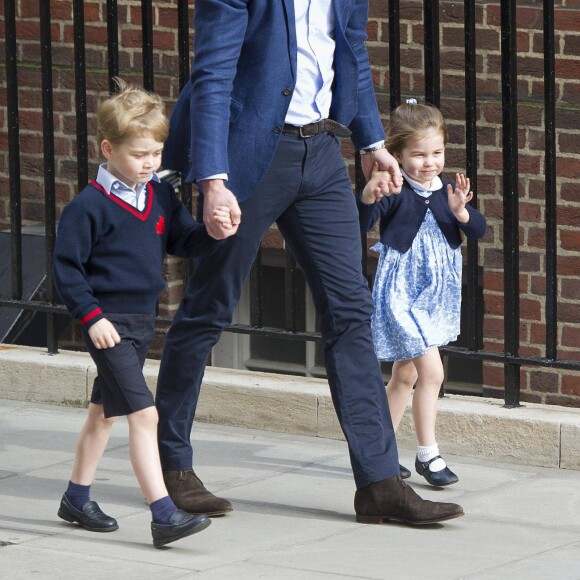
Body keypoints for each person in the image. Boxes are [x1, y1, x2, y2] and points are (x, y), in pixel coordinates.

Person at [157, 0, 464, 525]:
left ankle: (379, 484)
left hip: (320, 151)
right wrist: (212, 180)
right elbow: (211, 77)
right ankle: (171, 467)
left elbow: (352, 53)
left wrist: (371, 141)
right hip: (248, 155)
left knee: (351, 312)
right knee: (209, 307)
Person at [52, 78, 233, 547]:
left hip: (138, 320)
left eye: (156, 153)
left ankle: (76, 496)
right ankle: (163, 513)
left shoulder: (160, 196)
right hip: (106, 326)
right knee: (145, 415)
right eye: (139, 155)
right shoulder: (87, 207)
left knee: (102, 415)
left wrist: (213, 232)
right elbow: (66, 271)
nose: (150, 163)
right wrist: (92, 318)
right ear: (109, 148)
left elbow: (182, 240)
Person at [358, 100, 487, 487]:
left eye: (437, 153)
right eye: (418, 154)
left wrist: (462, 212)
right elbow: (361, 224)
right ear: (396, 154)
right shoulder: (394, 187)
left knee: (405, 375)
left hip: (434, 295)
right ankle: (428, 455)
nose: (429, 162)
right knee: (433, 372)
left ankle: (374, 453)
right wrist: (368, 196)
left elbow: (478, 230)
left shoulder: (449, 190)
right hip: (402, 293)